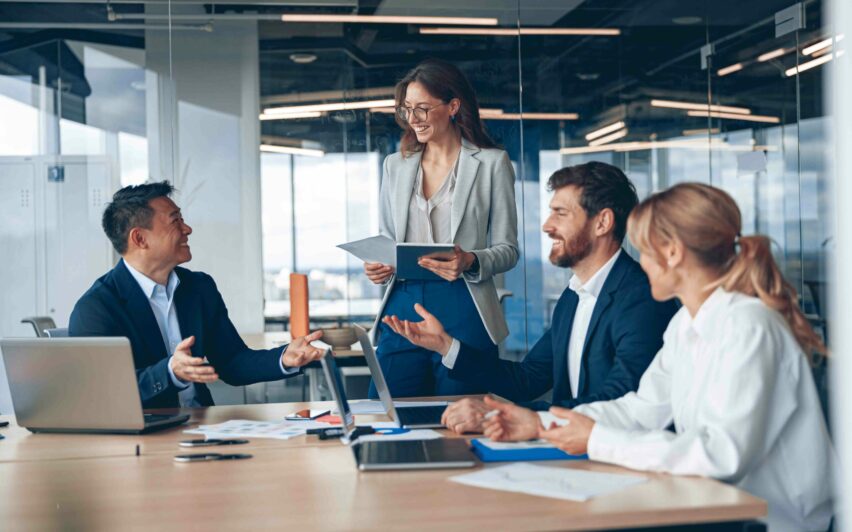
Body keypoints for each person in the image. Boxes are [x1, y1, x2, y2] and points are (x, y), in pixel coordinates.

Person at [482, 183, 834, 531]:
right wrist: (542, 425)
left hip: (771, 521)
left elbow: (720, 455)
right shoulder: (686, 322)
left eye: (645, 251)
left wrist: (596, 439)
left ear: (673, 253)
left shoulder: (748, 325)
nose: (641, 263)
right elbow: (641, 408)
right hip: (714, 508)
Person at [383, 162, 677, 433]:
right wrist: (445, 345)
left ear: (602, 223)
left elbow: (619, 400)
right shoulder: (574, 296)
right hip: (568, 447)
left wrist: (502, 416)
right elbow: (526, 379)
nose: (547, 225)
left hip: (612, 456)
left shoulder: (642, 299)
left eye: (561, 213)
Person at [69, 181, 325, 409]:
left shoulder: (199, 287)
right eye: (175, 221)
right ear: (140, 238)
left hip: (202, 428)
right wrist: (170, 372)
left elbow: (232, 362)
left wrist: (284, 357)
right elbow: (102, 394)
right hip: (144, 439)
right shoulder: (97, 307)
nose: (187, 229)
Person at [364, 59, 519, 397]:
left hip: (465, 302)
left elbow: (508, 250)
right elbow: (388, 239)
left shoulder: (492, 163)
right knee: (390, 412)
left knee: (461, 415)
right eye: (406, 110)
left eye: (422, 109)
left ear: (453, 107)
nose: (413, 119)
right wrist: (380, 265)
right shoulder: (396, 165)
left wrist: (471, 261)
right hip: (403, 302)